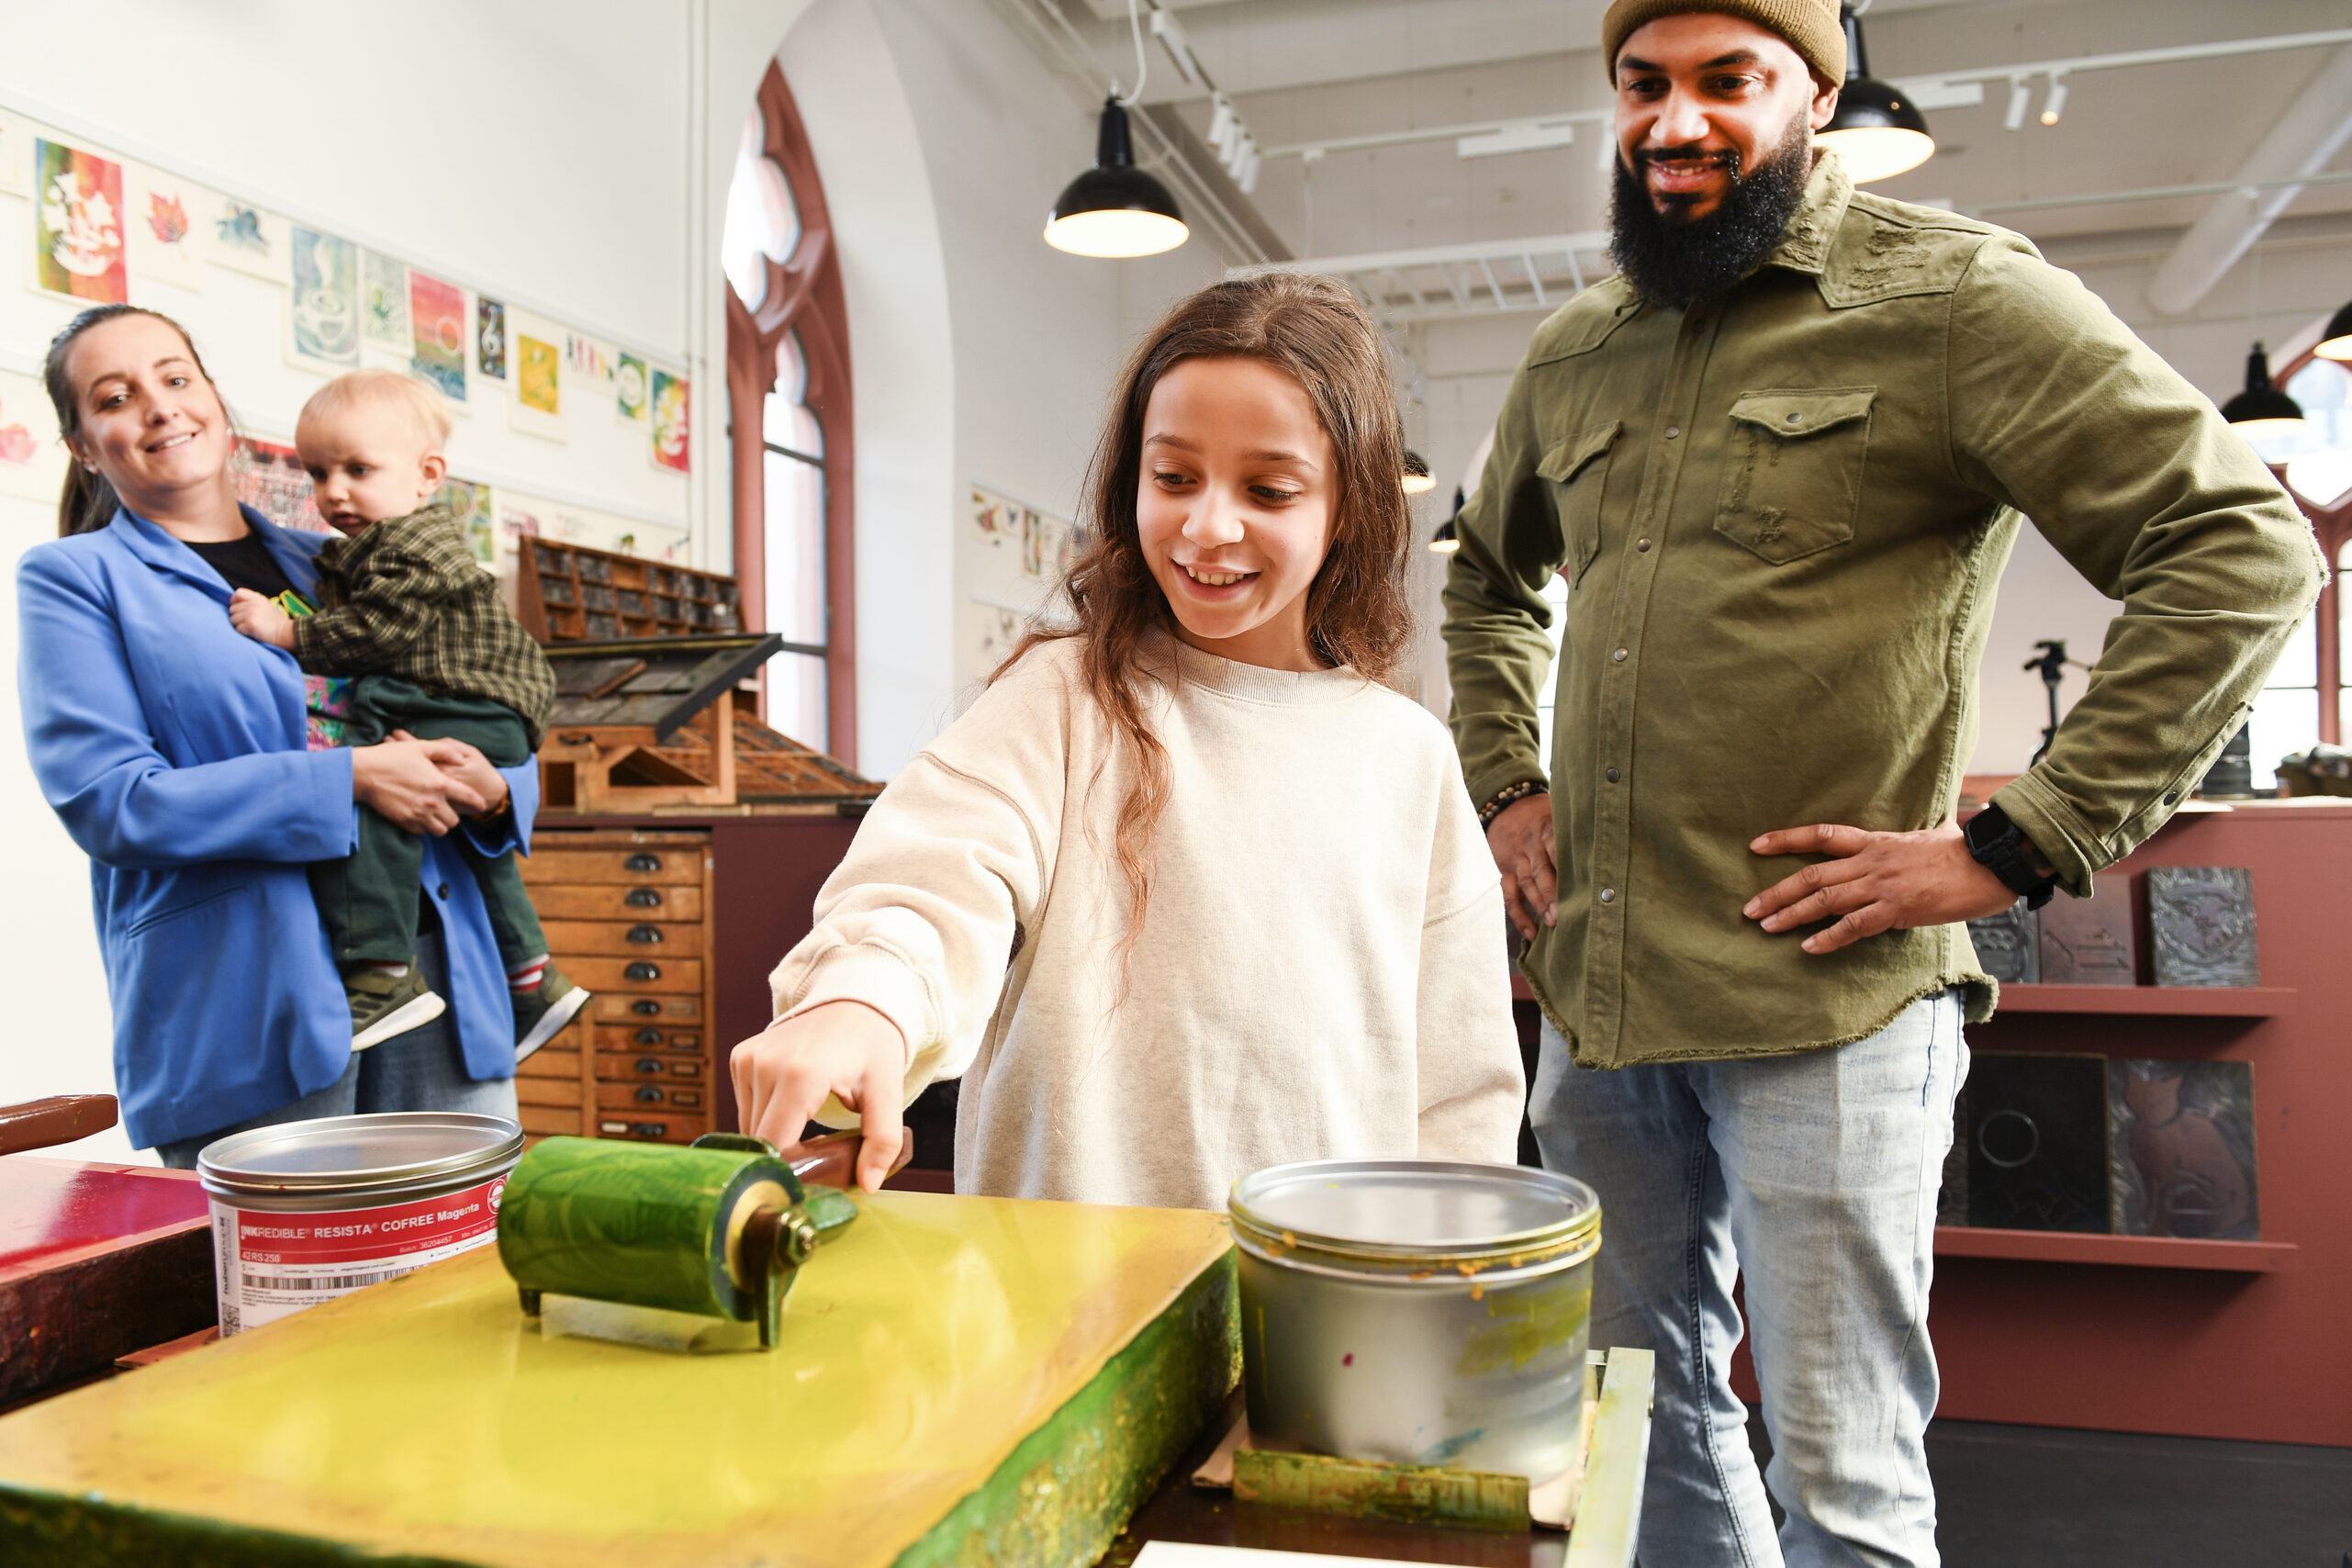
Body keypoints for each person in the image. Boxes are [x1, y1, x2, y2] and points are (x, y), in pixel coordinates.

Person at [1440, 2, 2323, 1563]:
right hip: (1602, 1003)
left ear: (1813, 94)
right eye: (1643, 84)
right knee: (1643, 1435)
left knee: (1840, 1485)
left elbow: (2239, 550)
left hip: (1831, 1006)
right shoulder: (1576, 348)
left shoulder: (1951, 298)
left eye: (1729, 79)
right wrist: (1509, 784)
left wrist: (2020, 840)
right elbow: (1487, 584)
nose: (1677, 118)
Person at [731, 274, 1525, 1200]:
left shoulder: (1408, 757)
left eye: (1268, 489)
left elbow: (1462, 1089)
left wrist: (1442, 1281)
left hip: (1323, 1309)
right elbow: (934, 877)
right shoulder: (1063, 699)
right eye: (1174, 476)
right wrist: (861, 998)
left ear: (1346, 507)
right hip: (1063, 1295)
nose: (1208, 524)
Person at [18, 304, 543, 1166]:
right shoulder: (75, 578)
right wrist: (354, 780)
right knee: (286, 1298)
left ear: (216, 401)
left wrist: (498, 791)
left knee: (461, 1276)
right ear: (82, 444)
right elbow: (111, 804)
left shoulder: (345, 558)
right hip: (245, 1002)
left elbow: (479, 701)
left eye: (176, 378)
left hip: (441, 977)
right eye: (116, 396)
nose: (159, 406)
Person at [227, 370, 586, 1055]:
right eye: (318, 472)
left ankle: (385, 972)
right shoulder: (369, 547)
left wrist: (286, 632)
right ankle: (534, 975)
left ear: (427, 475)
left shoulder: (413, 547)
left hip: (462, 700)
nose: (334, 492)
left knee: (376, 795)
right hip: (473, 703)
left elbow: (377, 633)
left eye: (358, 469)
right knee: (451, 827)